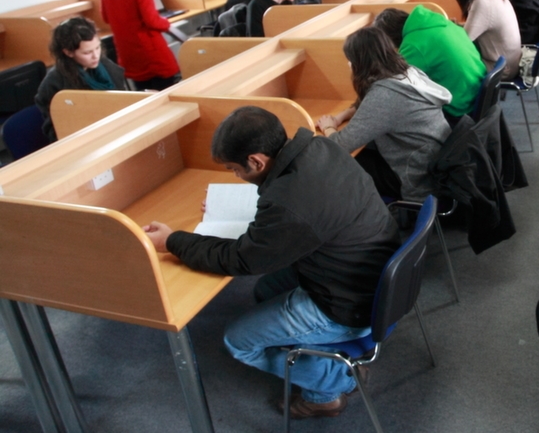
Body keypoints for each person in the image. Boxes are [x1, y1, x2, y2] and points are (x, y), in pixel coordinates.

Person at [141, 106, 399, 420]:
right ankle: (319, 355)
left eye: (234, 169)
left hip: (349, 306)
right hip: (372, 274)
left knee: (238, 341)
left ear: (257, 161)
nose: (235, 176)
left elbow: (241, 259)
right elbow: (296, 205)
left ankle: (332, 387)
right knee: (267, 289)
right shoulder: (320, 148)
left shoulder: (289, 202)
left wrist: (171, 241)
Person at [315, 27, 452, 202]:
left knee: (337, 164)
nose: (348, 65)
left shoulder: (385, 96)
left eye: (350, 60)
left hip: (416, 177)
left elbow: (340, 145)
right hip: (433, 161)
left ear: (360, 63)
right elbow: (367, 102)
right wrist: (341, 116)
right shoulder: (407, 73)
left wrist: (328, 127)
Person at [373, 5, 486, 121]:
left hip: (461, 108)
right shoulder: (439, 22)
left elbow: (393, 86)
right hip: (479, 91)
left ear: (389, 41)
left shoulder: (413, 46)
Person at [34, 17, 127, 141]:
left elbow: (123, 99)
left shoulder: (105, 65)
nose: (96, 56)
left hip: (117, 130)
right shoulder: (54, 84)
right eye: (87, 53)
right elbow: (56, 131)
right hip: (88, 140)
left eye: (97, 48)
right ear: (68, 52)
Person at [444, 0, 522, 79]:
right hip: (510, 60)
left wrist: (448, 32)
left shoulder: (482, 3)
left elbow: (464, 41)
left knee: (452, 65)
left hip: (501, 68)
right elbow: (483, 25)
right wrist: (457, 27)